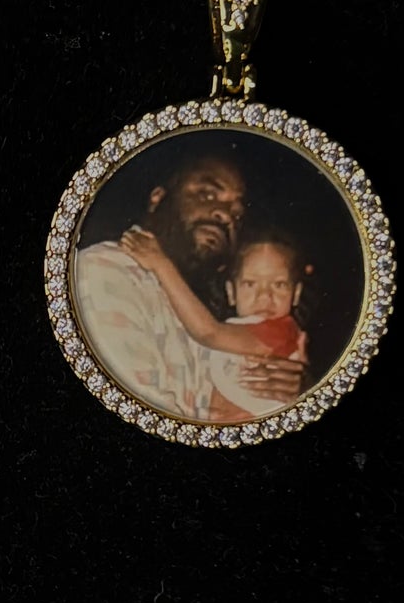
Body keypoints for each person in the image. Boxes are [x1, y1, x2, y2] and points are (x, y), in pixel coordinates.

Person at [68, 149, 304, 421]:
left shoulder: (195, 303)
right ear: (158, 198)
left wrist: (291, 391)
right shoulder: (105, 270)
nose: (225, 215)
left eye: (237, 214)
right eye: (207, 194)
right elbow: (141, 414)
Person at [118, 225, 311, 421]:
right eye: (250, 284)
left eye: (279, 284)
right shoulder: (238, 328)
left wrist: (161, 265)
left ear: (296, 294)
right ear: (231, 293)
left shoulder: (282, 330)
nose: (264, 296)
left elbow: (208, 333)